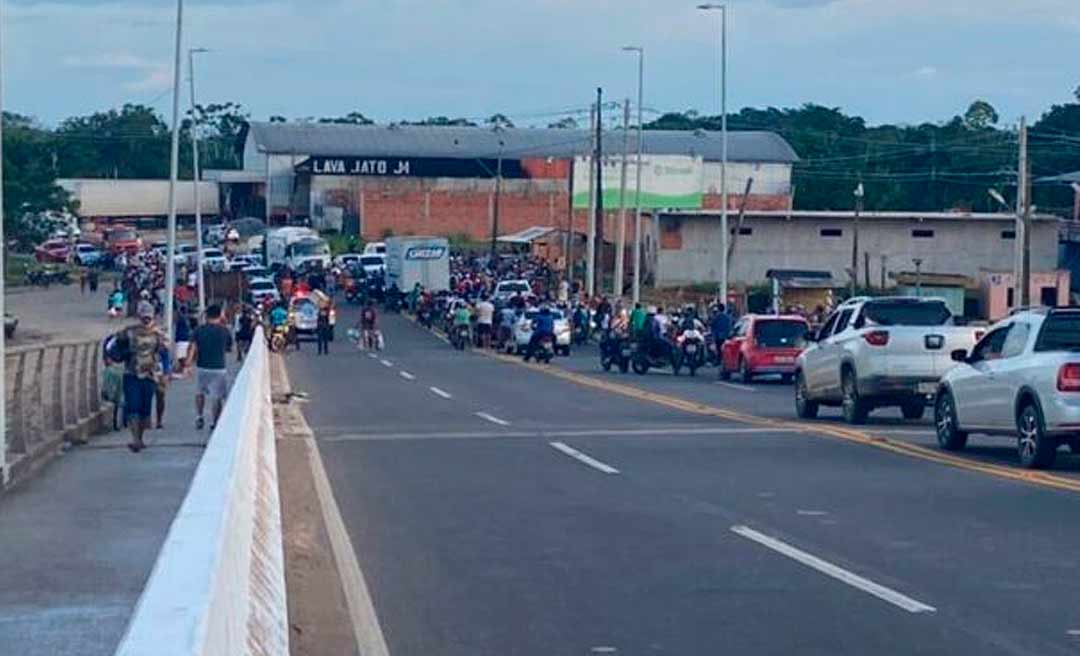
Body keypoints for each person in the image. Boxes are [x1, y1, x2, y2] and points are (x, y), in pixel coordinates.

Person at [110, 302, 165, 452]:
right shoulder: (128, 332)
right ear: (139, 316)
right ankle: (135, 439)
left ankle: (140, 438)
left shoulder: (159, 334)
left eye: (148, 317)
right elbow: (111, 345)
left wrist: (164, 375)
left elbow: (165, 354)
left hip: (150, 375)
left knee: (144, 409)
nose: (146, 320)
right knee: (133, 406)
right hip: (132, 373)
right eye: (144, 317)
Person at [185, 304, 233, 431]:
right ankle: (215, 422)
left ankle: (199, 416)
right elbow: (229, 347)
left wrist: (188, 364)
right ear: (220, 315)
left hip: (202, 367)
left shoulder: (199, 330)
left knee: (200, 392)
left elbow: (193, 348)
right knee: (217, 397)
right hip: (219, 368)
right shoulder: (224, 331)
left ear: (206, 315)